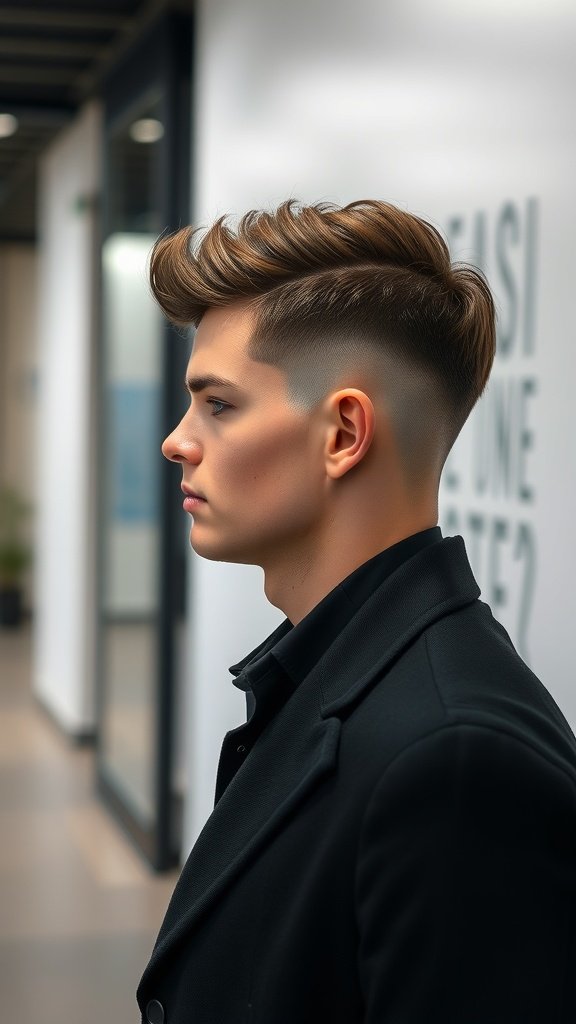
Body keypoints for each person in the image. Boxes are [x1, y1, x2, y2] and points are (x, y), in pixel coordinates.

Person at [137, 199, 576, 1024]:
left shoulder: (455, 764)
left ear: (343, 433)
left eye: (218, 404)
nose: (176, 440)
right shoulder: (338, 681)